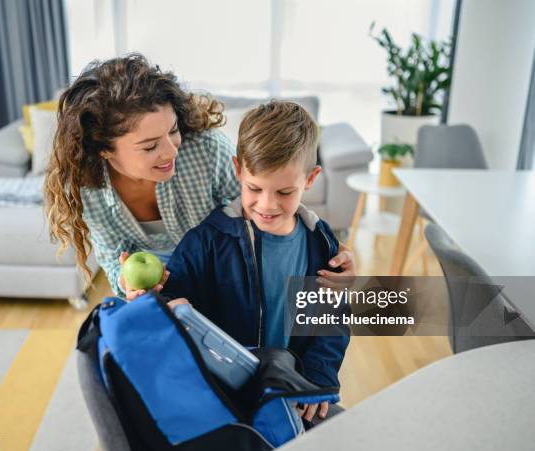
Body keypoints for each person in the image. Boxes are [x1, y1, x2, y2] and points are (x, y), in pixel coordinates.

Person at [44, 53, 355, 300]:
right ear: (104, 150)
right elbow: (113, 257)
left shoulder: (206, 151)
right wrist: (128, 283)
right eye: (150, 146)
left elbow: (264, 205)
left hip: (222, 282)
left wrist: (323, 249)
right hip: (161, 292)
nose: (170, 151)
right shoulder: (88, 187)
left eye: (173, 131)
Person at [162, 101, 350, 425]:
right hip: (222, 393)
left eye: (284, 192)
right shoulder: (208, 241)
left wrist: (319, 377)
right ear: (238, 169)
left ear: (311, 178)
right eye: (254, 188)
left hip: (290, 389)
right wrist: (161, 301)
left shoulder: (321, 244)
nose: (267, 204)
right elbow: (170, 300)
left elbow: (330, 320)